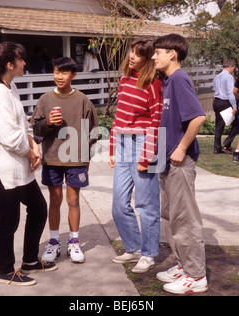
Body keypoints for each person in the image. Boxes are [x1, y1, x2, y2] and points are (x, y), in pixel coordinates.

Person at [0, 42, 56, 287]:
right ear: (10, 64)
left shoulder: (11, 88)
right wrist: (31, 153)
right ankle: (5, 271)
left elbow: (21, 125)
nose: (24, 63)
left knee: (39, 208)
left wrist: (34, 144)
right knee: (9, 220)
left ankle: (30, 260)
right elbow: (9, 136)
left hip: (19, 166)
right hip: (6, 168)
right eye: (21, 60)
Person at [151, 34, 208, 294]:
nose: (153, 57)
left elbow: (198, 117)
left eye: (158, 52)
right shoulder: (167, 81)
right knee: (171, 218)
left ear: (172, 53)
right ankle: (184, 266)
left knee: (185, 221)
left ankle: (196, 276)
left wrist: (181, 148)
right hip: (167, 163)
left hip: (179, 163)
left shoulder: (179, 79)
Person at [32, 57, 99, 264]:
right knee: (54, 200)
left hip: (75, 159)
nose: (59, 77)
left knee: (73, 200)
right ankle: (53, 242)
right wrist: (48, 123)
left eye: (64, 73)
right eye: (56, 72)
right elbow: (35, 129)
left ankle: (74, 241)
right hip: (52, 158)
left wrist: (87, 155)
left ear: (73, 75)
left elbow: (93, 131)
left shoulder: (83, 101)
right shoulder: (45, 99)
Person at [108, 38, 163, 274]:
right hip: (122, 142)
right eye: (131, 52)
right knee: (119, 204)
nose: (131, 56)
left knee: (146, 204)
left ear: (147, 59)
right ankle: (133, 249)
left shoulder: (153, 83)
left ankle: (149, 254)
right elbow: (119, 115)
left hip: (143, 144)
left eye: (138, 54)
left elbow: (156, 120)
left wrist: (147, 156)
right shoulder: (124, 79)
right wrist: (112, 146)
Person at [213, 59, 239, 154]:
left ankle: (217, 148)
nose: (233, 70)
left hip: (216, 101)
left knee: (219, 125)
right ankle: (227, 143)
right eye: (233, 68)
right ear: (230, 66)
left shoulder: (217, 77)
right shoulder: (229, 77)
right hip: (225, 102)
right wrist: (234, 106)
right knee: (236, 124)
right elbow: (230, 93)